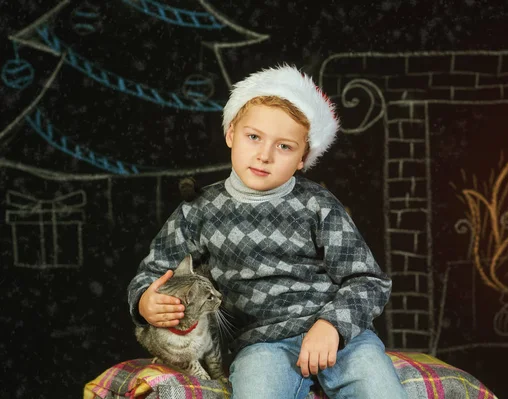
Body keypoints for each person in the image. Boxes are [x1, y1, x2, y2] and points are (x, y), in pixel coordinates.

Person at [127, 65, 408, 399]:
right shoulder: (198, 210)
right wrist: (146, 301)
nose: (264, 155)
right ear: (231, 133)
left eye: (284, 147)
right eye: (254, 137)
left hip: (339, 336)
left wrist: (333, 326)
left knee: (380, 390)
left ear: (304, 157)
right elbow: (155, 271)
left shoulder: (317, 204)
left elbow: (368, 281)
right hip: (261, 343)